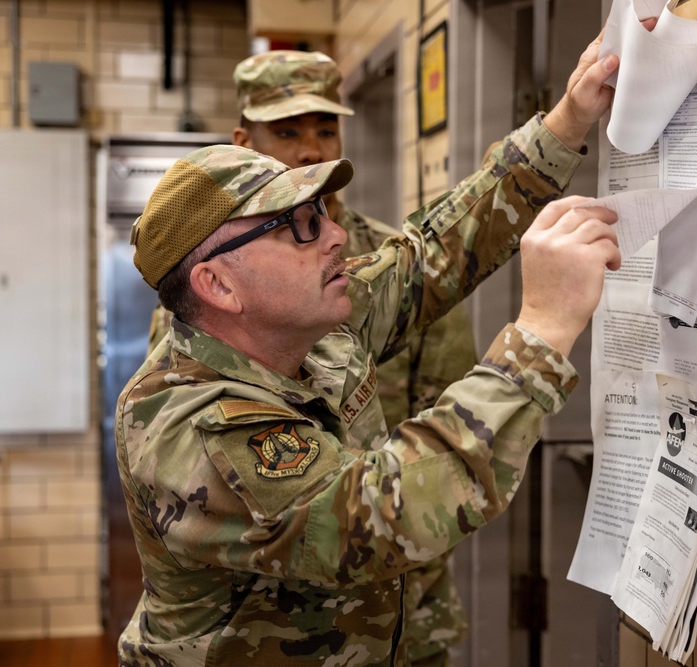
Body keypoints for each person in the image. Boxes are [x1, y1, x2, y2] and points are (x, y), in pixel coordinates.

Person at [116, 29, 621, 665]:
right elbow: (379, 512)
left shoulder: (314, 327)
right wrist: (543, 327)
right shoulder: (190, 423)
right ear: (217, 284)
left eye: (322, 212)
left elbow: (430, 252)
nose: (333, 234)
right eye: (298, 226)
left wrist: (570, 117)